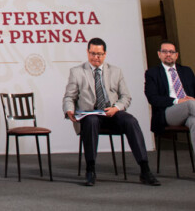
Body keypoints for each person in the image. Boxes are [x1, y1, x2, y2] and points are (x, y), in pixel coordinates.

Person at [62, 37, 160, 186]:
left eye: (99, 54)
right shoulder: (77, 72)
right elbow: (69, 97)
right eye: (93, 53)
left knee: (131, 121)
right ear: (87, 53)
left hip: (112, 112)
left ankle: (145, 170)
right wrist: (69, 110)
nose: (96, 57)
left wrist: (116, 108)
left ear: (105, 54)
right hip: (91, 114)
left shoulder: (115, 71)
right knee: (92, 121)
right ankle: (90, 170)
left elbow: (126, 96)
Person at [144, 41, 195, 155]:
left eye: (171, 52)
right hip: (168, 112)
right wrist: (178, 101)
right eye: (165, 51)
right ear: (159, 54)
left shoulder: (187, 71)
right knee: (190, 104)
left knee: (194, 121)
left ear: (176, 55)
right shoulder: (152, 73)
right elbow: (153, 98)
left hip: (190, 111)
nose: (168, 54)